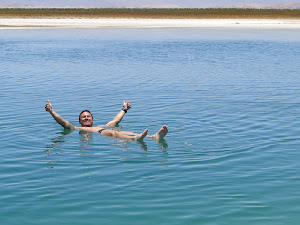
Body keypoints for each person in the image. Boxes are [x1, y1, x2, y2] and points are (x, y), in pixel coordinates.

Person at [45, 100, 168, 141]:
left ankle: (153, 137)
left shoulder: (101, 125)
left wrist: (124, 109)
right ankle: (135, 139)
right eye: (84, 117)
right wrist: (51, 111)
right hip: (102, 133)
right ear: (80, 121)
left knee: (123, 131)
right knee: (115, 133)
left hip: (103, 130)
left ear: (92, 120)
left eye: (88, 116)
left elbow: (115, 121)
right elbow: (63, 122)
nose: (86, 118)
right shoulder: (76, 128)